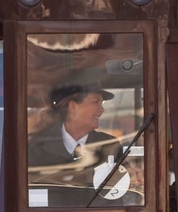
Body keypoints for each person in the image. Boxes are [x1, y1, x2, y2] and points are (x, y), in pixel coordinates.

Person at [27, 77, 128, 205]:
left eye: (101, 104)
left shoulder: (109, 145)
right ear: (73, 107)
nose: (101, 110)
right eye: (95, 102)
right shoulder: (36, 146)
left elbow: (118, 197)